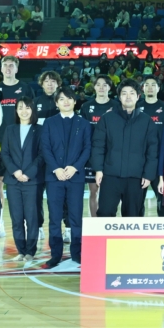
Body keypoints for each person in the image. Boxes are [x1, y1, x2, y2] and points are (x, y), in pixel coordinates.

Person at [40, 87, 92, 270]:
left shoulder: (83, 123)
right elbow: (45, 148)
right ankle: (55, 255)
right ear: (56, 103)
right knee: (54, 218)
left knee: (76, 217)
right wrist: (56, 169)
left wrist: (74, 167)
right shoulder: (49, 123)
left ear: (75, 101)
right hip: (54, 177)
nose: (66, 102)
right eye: (61, 99)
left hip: (75, 177)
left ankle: (77, 253)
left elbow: (87, 148)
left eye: (69, 98)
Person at [92, 79, 159, 217]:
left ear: (138, 96)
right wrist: (98, 170)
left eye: (132, 93)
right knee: (105, 213)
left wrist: (148, 175)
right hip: (110, 175)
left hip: (136, 177)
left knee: (133, 216)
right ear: (119, 96)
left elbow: (152, 151)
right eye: (124, 93)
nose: (128, 96)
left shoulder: (147, 121)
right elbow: (98, 146)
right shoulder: (107, 119)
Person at [0, 56, 35, 235]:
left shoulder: (25, 88)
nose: (8, 68)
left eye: (11, 65)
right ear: (1, 68)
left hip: (21, 144)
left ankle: (28, 223)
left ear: (17, 69)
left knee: (23, 184)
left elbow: (32, 114)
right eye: (5, 65)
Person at [0, 98, 43, 262]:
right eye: (20, 108)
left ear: (33, 110)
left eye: (27, 108)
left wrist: (29, 173)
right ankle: (21, 250)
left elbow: (42, 155)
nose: (24, 111)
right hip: (13, 181)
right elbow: (5, 153)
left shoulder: (40, 130)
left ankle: (30, 251)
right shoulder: (10, 129)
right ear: (16, 111)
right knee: (16, 218)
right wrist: (15, 171)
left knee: (32, 218)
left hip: (32, 181)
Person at [80, 75, 121, 217]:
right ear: (94, 87)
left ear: (110, 87)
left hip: (111, 154)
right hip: (92, 154)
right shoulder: (86, 106)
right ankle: (94, 223)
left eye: (105, 85)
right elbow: (82, 132)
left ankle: (109, 222)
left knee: (111, 191)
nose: (101, 87)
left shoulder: (117, 106)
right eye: (98, 84)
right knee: (93, 191)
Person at [138, 75, 164, 216]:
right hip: (140, 159)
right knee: (137, 201)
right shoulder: (137, 107)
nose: (150, 87)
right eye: (147, 84)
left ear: (158, 88)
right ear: (143, 88)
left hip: (160, 159)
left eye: (153, 85)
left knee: (163, 199)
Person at [33, 70, 61, 240]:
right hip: (40, 155)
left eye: (53, 81)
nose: (50, 84)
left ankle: (67, 227)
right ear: (42, 84)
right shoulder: (35, 102)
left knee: (59, 195)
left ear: (58, 84)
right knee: (37, 193)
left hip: (59, 156)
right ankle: (38, 226)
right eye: (47, 81)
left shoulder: (64, 101)